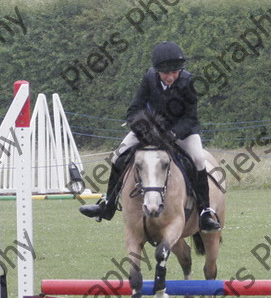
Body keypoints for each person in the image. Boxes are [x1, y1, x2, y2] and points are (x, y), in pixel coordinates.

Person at [79, 41, 221, 232]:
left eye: (174, 72)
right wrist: (142, 129)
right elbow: (134, 109)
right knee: (118, 154)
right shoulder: (149, 78)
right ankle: (108, 203)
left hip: (182, 131)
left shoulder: (187, 82)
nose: (171, 76)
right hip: (150, 130)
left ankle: (204, 212)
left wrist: (173, 134)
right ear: (157, 71)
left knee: (197, 158)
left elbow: (190, 117)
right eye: (166, 73)